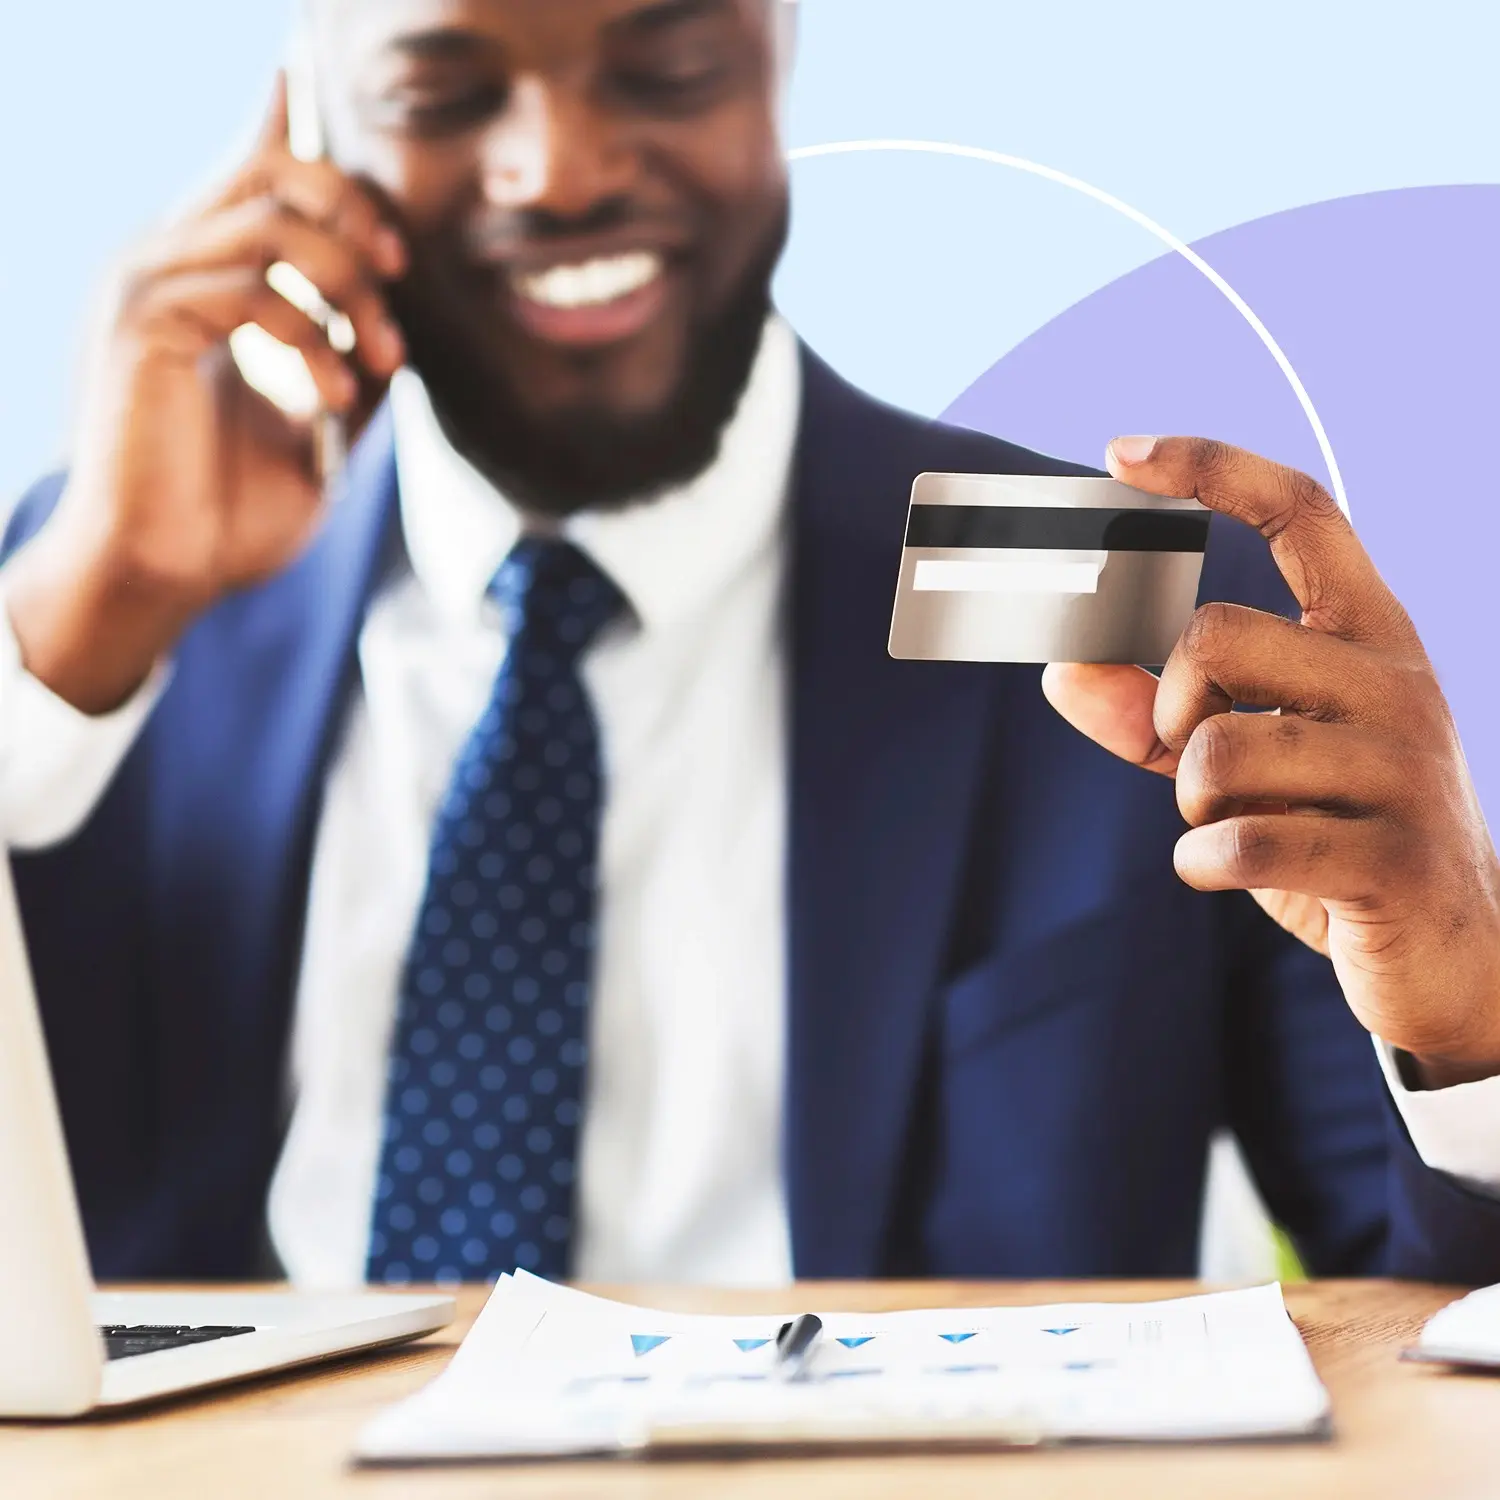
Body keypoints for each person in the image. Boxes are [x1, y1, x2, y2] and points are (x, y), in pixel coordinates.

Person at [6, 0, 1500, 1289]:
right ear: (312, 118)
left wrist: (1467, 1012)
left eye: (664, 68)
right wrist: (65, 654)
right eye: (441, 93)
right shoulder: (111, 607)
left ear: (778, 52)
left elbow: (1423, 1311)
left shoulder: (1123, 605)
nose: (561, 168)